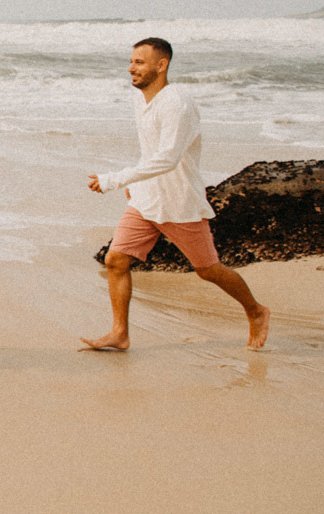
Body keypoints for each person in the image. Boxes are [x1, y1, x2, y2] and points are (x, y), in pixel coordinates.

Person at [84, 38, 270, 351]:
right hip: (146, 200)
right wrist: (137, 182)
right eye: (131, 61)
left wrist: (116, 179)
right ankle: (120, 333)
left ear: (162, 65)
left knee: (208, 269)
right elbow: (151, 151)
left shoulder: (178, 104)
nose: (131, 68)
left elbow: (168, 158)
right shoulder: (141, 99)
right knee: (116, 260)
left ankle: (256, 310)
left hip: (178, 201)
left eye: (140, 62)